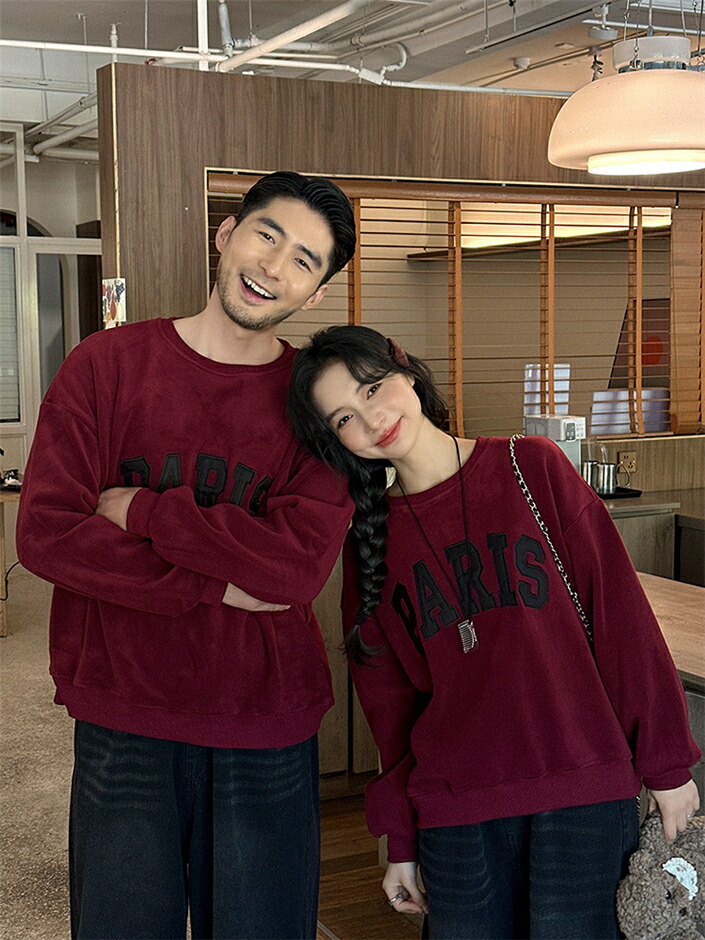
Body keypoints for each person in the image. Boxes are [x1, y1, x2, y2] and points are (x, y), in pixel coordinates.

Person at [16, 171, 357, 940]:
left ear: (315, 293)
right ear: (226, 234)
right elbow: (46, 532)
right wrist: (218, 585)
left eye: (303, 260)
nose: (273, 266)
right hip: (124, 709)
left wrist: (141, 511)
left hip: (265, 717)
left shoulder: (315, 400)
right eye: (266, 235)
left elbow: (295, 570)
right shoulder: (105, 366)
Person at [287, 324, 701, 940]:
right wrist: (400, 839)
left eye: (372, 389)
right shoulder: (370, 548)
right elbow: (389, 710)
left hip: (581, 793)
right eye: (344, 418)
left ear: (406, 370)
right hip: (456, 814)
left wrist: (668, 767)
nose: (372, 420)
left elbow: (623, 622)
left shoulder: (531, 467)